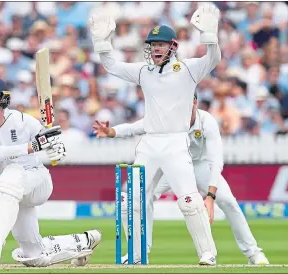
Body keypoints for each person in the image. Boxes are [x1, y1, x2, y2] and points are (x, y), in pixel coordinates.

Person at [89, 4, 221, 264]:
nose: (156, 49)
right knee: (132, 200)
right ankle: (137, 253)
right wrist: (101, 42)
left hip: (175, 142)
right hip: (149, 143)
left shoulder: (188, 69)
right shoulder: (143, 71)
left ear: (173, 46)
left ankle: (208, 253)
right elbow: (111, 66)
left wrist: (210, 36)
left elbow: (213, 59)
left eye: (161, 44)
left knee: (189, 201)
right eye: (153, 45)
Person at [92, 92, 270, 265]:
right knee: (141, 197)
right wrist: (111, 131)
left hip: (199, 166)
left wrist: (210, 196)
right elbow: (136, 127)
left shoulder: (206, 121)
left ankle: (254, 253)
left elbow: (216, 160)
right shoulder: (166, 118)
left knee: (228, 202)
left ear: (194, 102)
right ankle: (139, 253)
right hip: (171, 166)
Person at [0, 76, 101, 268]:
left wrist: (56, 148)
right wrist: (32, 146)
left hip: (37, 180)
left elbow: (49, 141)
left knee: (10, 175)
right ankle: (82, 241)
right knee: (34, 257)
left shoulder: (23, 120)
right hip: (13, 193)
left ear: (3, 99)